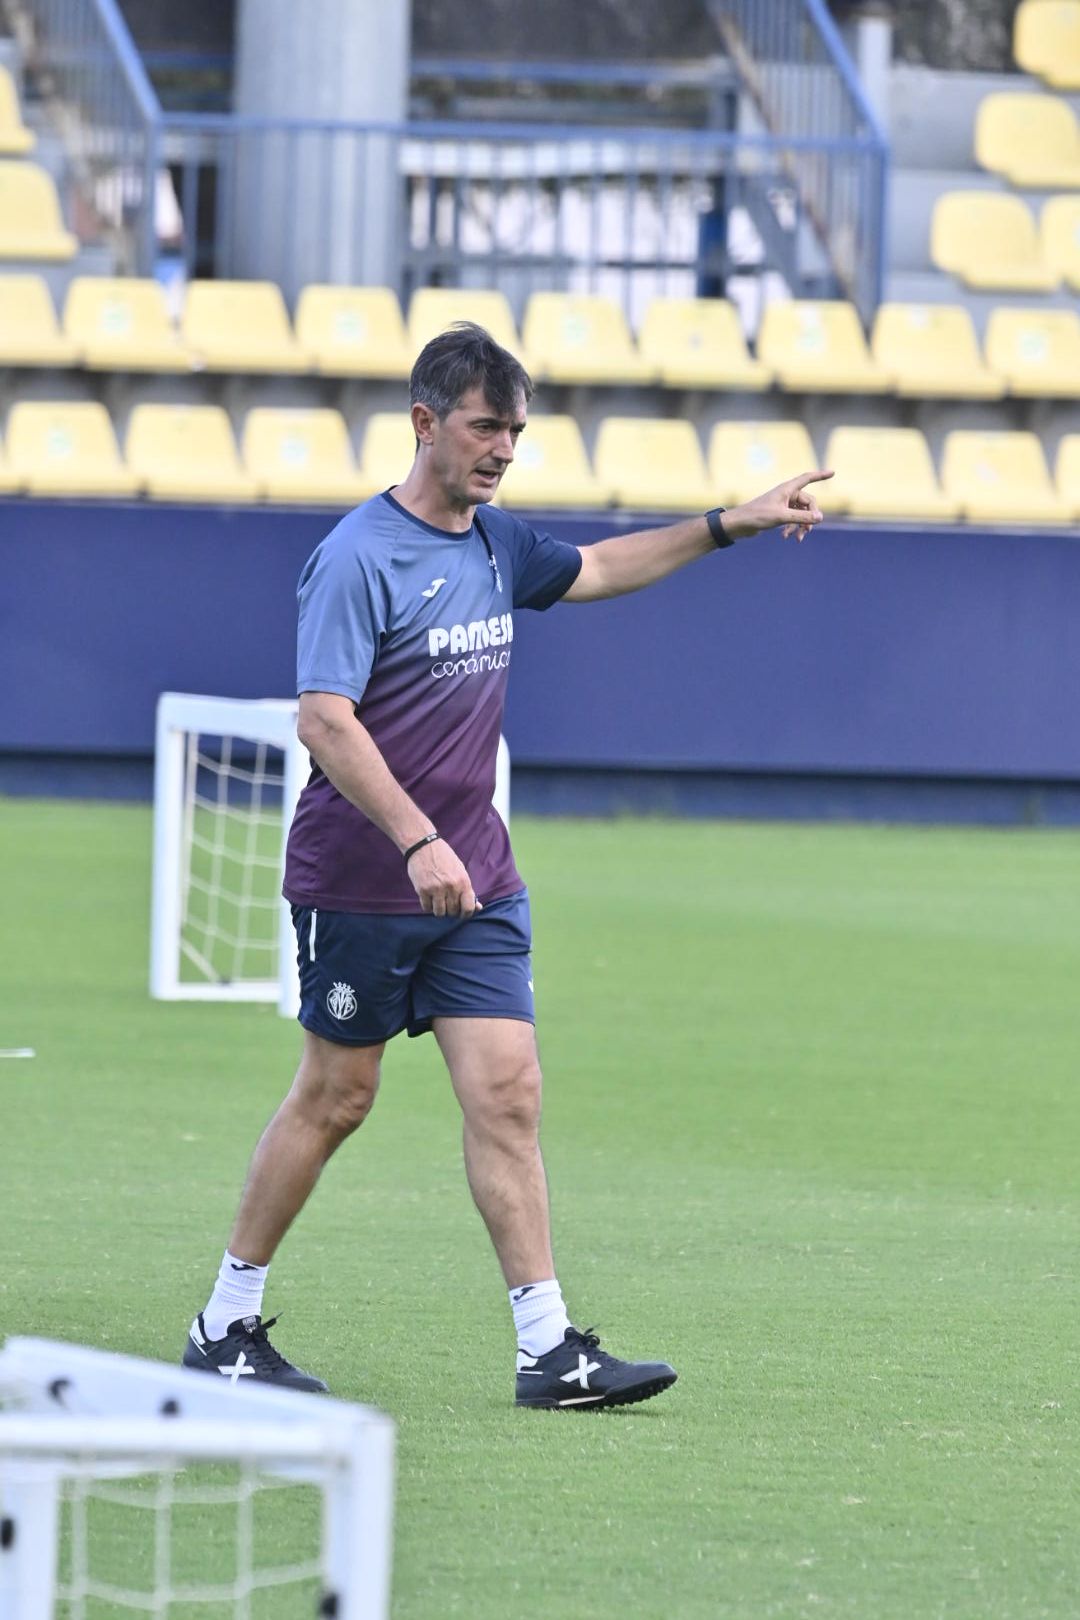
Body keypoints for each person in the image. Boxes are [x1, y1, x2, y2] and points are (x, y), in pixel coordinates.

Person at [182, 321, 831, 1410]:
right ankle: (224, 1322)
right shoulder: (356, 557)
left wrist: (731, 524)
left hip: (476, 881)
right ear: (426, 422)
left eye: (516, 432)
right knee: (337, 1098)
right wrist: (416, 838)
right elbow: (326, 724)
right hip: (363, 881)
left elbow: (603, 565)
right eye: (486, 427)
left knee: (509, 1094)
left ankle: (549, 1348)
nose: (503, 450)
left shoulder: (495, 543)